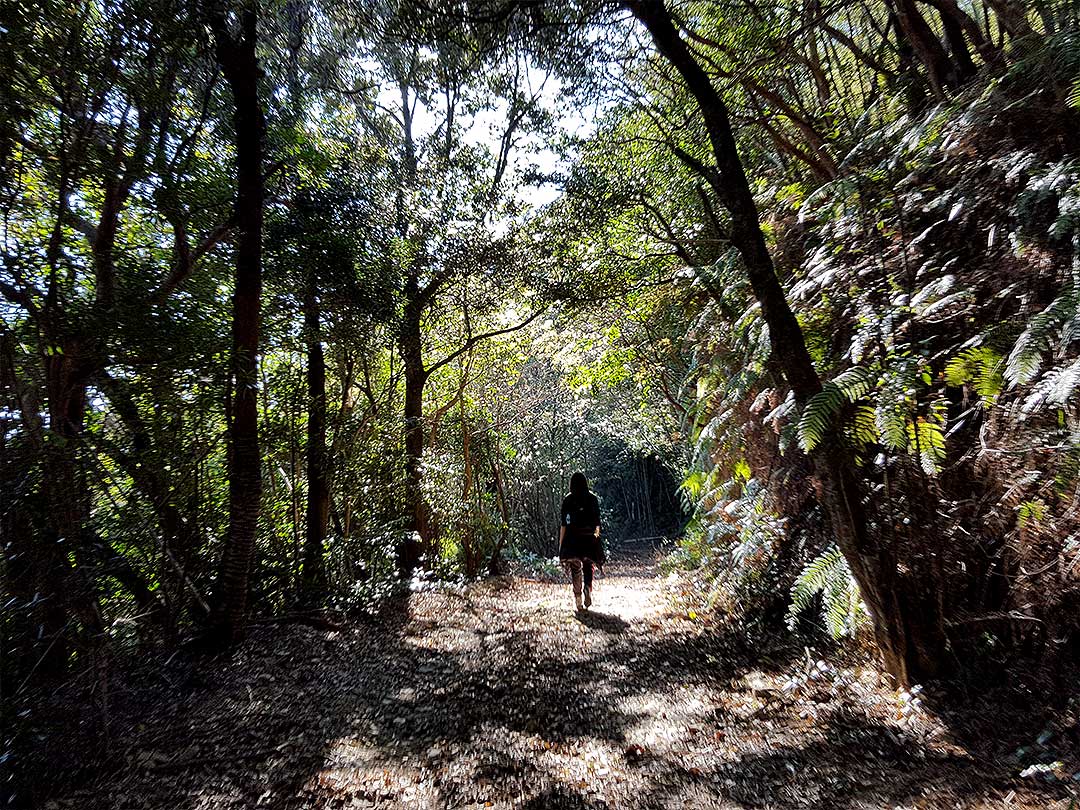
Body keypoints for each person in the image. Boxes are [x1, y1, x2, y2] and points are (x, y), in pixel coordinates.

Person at [559, 472, 603, 611]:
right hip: (589, 538)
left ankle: (578, 598)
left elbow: (564, 525)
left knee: (575, 568)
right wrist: (597, 539)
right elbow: (597, 523)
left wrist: (561, 545)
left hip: (572, 540)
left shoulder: (568, 500)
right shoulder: (592, 499)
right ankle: (588, 589)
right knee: (588, 565)